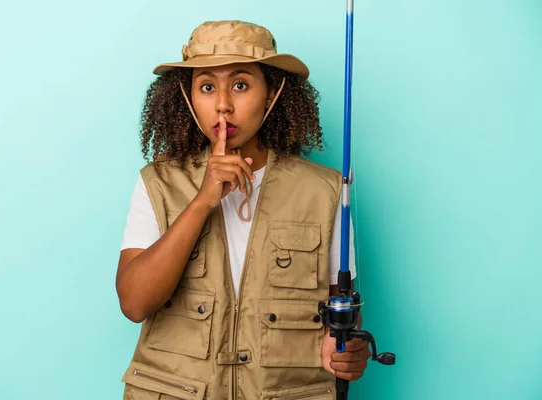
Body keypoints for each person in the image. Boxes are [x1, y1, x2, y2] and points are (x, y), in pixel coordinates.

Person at [116, 20, 371, 399]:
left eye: (240, 85)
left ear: (271, 94)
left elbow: (342, 314)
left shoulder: (326, 191)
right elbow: (135, 303)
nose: (222, 104)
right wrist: (203, 201)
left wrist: (346, 352)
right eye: (206, 87)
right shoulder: (157, 183)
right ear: (187, 98)